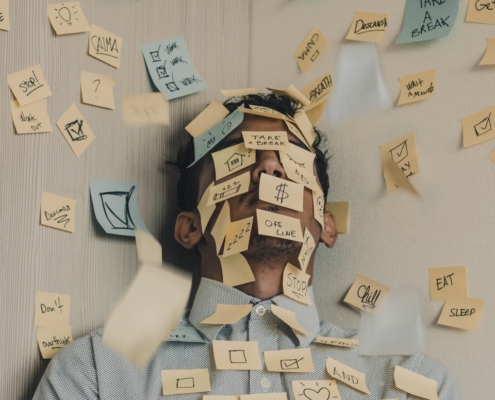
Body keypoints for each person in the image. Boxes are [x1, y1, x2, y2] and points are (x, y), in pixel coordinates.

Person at [33, 94, 462, 399]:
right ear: (190, 228)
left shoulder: (408, 383)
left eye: (290, 158)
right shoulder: (98, 372)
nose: (268, 165)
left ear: (326, 227)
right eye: (238, 155)